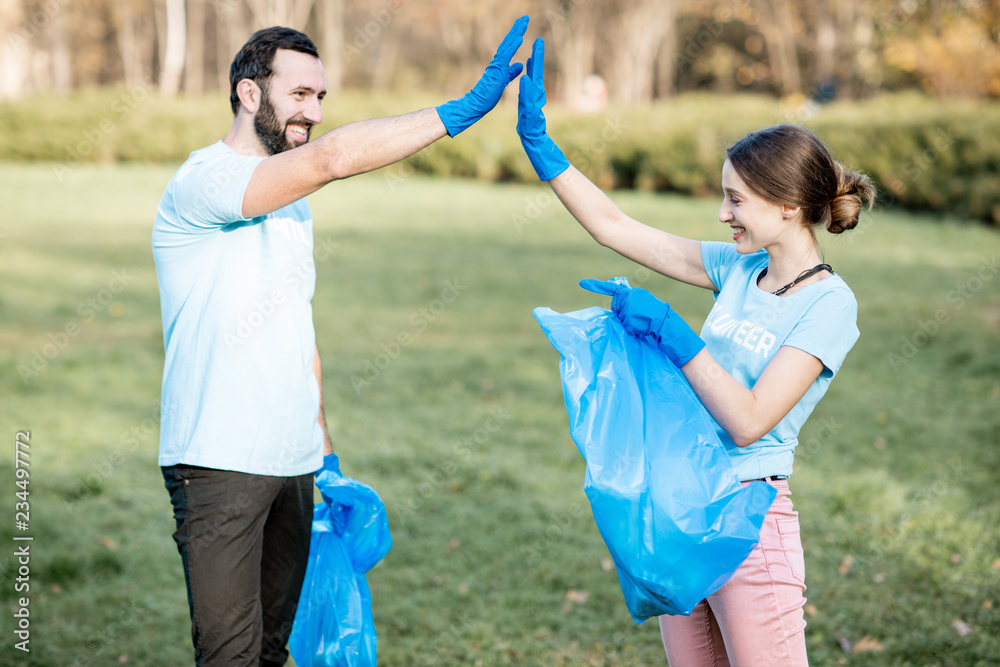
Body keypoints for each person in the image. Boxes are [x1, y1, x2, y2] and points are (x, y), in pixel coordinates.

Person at [152, 18, 529, 665]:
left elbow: (297, 328)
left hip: (294, 462)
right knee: (230, 658)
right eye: (300, 94)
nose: (314, 112)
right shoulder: (204, 180)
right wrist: (458, 113)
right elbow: (331, 159)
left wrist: (324, 450)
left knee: (273, 652)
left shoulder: (294, 204)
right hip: (218, 462)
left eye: (321, 97)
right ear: (248, 94)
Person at [515, 38, 874, 665]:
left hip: (748, 525)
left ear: (789, 206)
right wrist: (546, 153)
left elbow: (750, 419)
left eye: (736, 200)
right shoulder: (740, 269)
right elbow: (617, 229)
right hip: (683, 512)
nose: (722, 213)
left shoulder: (828, 305)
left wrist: (676, 337)